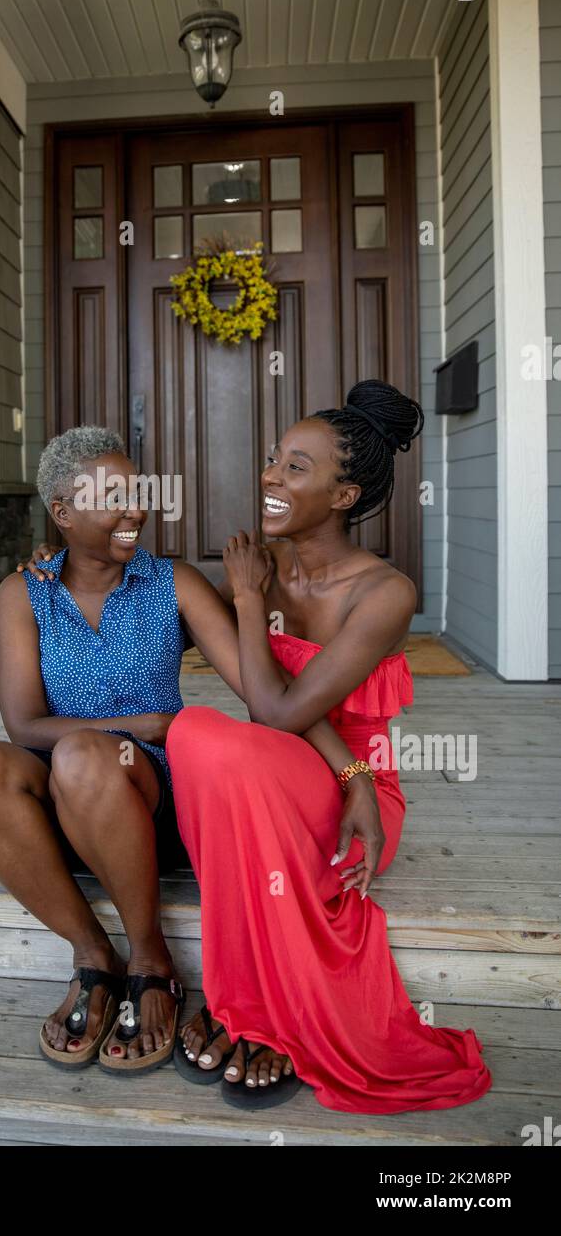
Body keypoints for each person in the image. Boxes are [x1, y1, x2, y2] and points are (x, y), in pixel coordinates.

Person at [0, 425, 360, 1075]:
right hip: (71, 781)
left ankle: (150, 961)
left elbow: (264, 692)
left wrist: (353, 771)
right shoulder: (22, 594)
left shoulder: (173, 583)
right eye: (113, 494)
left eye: (136, 491)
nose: (135, 507)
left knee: (88, 753)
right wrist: (146, 721)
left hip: (153, 799)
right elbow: (25, 724)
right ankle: (94, 958)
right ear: (63, 513)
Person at [167, 379, 493, 1113]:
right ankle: (248, 1003)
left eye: (295, 467)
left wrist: (249, 605)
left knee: (223, 745)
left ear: (344, 497)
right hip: (294, 775)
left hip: (353, 801)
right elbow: (268, 706)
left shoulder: (383, 592)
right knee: (199, 735)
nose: (270, 477)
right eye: (275, 459)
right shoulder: (262, 566)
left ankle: (259, 1014)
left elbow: (278, 712)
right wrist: (50, 563)